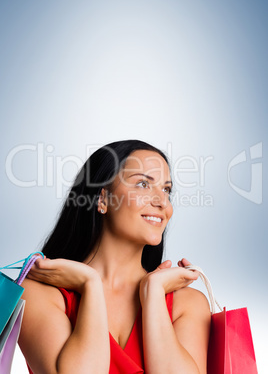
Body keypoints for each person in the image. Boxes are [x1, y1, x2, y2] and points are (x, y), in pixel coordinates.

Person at [19, 139, 211, 374]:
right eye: (142, 184)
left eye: (166, 189)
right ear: (102, 199)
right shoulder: (38, 294)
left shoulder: (187, 304)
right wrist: (90, 284)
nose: (162, 202)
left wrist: (154, 292)